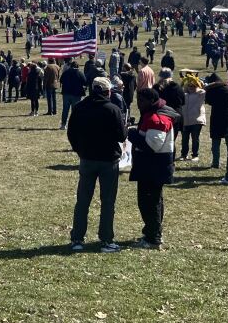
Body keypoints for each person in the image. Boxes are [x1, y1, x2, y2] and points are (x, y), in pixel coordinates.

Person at [66, 77, 126, 252]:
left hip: (87, 158)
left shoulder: (80, 108)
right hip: (109, 160)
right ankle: (106, 239)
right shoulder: (113, 109)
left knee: (83, 200)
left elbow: (71, 133)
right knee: (107, 201)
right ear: (108, 92)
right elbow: (122, 135)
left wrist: (80, 150)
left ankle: (77, 238)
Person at [127, 88, 175, 249]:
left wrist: (132, 135)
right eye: (138, 100)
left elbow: (152, 146)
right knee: (152, 201)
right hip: (151, 166)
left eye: (141, 101)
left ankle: (153, 238)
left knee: (149, 202)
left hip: (154, 167)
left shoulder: (157, 119)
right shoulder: (151, 115)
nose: (138, 104)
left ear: (151, 101)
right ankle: (152, 232)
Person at [203, 73, 228, 169]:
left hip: (216, 117)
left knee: (215, 142)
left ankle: (215, 162)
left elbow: (208, 101)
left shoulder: (211, 91)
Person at [179, 74, 206, 162]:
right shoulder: (184, 94)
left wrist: (199, 83)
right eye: (189, 85)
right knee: (184, 139)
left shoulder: (200, 94)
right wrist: (183, 84)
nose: (191, 87)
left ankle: (195, 155)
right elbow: (178, 91)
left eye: (193, 86)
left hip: (196, 120)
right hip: (185, 121)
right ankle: (184, 155)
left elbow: (204, 90)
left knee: (195, 139)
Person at [59, 60, 86, 130]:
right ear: (77, 66)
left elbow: (61, 80)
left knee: (65, 110)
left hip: (66, 93)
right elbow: (85, 82)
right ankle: (74, 125)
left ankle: (63, 125)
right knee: (75, 110)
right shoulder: (80, 73)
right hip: (76, 94)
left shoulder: (66, 72)